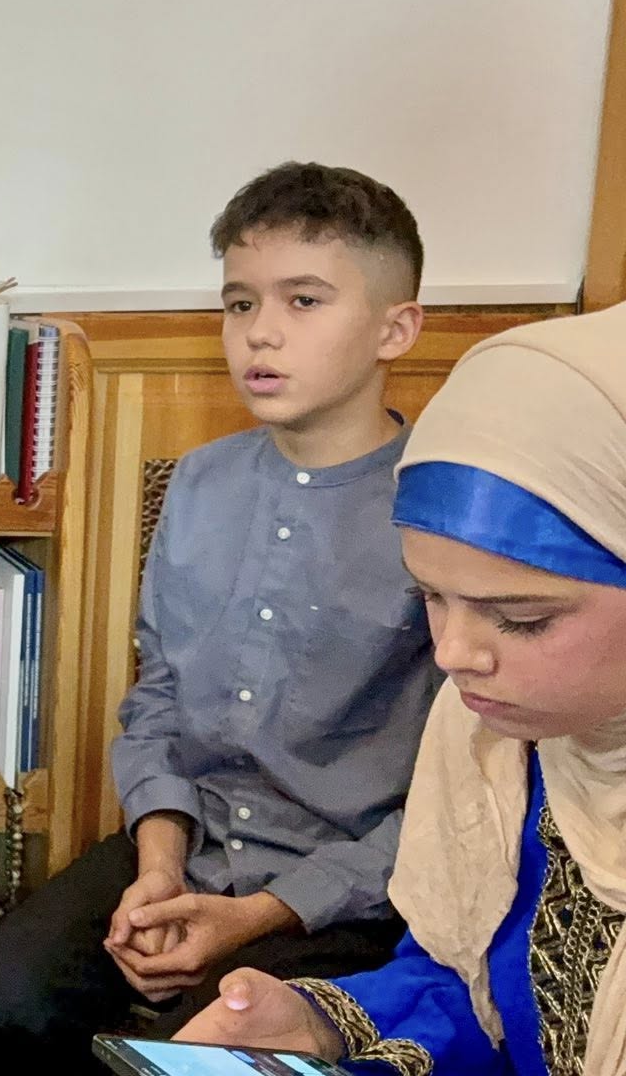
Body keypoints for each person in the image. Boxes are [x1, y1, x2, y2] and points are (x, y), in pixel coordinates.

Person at [0, 163, 440, 1065]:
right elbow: (160, 700)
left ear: (395, 328)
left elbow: (457, 796)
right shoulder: (201, 482)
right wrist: (159, 871)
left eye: (303, 301)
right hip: (190, 841)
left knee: (189, 1043)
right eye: (239, 303)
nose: (261, 332)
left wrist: (254, 916)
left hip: (343, 892)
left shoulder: (438, 512)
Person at [177, 305, 626, 1076]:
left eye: (521, 618)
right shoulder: (507, 742)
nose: (453, 654)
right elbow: (468, 987)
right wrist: (323, 1027)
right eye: (431, 597)